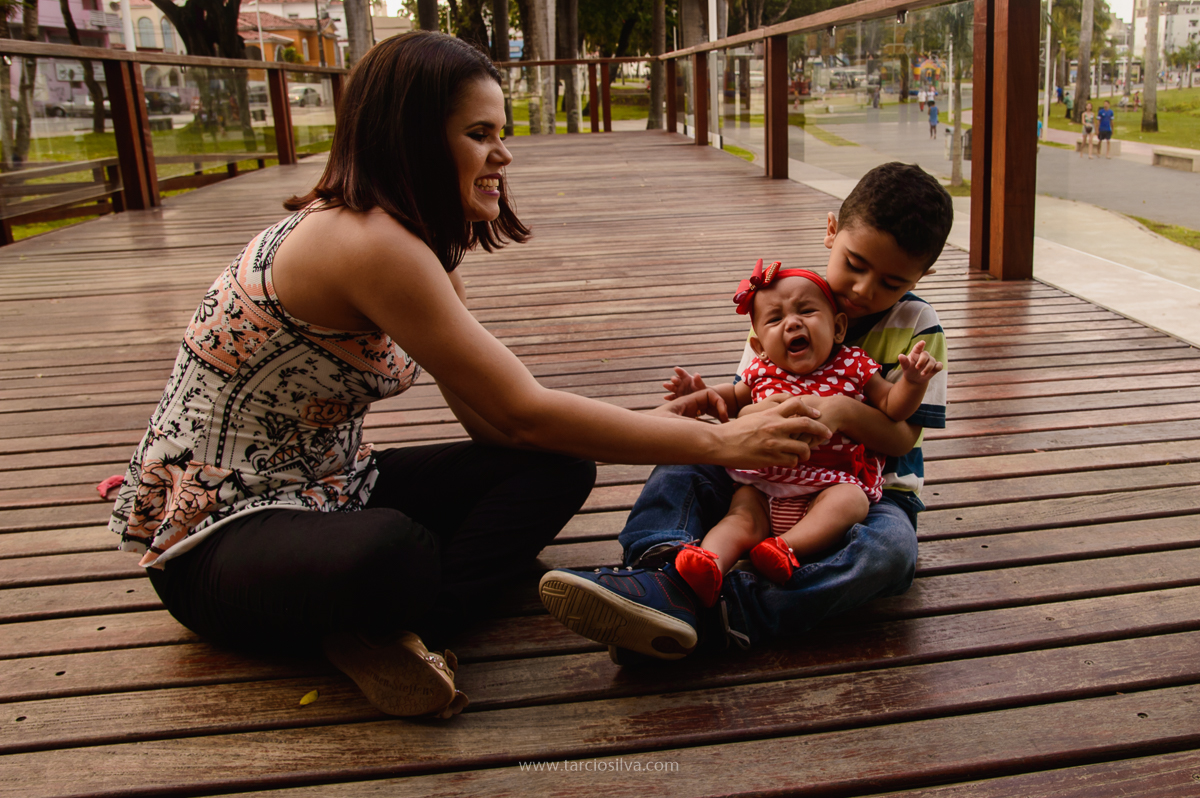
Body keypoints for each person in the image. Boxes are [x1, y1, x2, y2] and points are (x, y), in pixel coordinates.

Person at [107, 31, 830, 719]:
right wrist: (723, 444)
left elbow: (493, 421)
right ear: (415, 138)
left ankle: (390, 631)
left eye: (501, 133)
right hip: (214, 544)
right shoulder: (362, 242)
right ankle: (398, 613)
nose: (502, 156)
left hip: (329, 491)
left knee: (559, 467)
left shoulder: (418, 247)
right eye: (479, 135)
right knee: (391, 550)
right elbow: (520, 414)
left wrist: (652, 428)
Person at [538, 163, 953, 662]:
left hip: (867, 492)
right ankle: (662, 564)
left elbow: (903, 438)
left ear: (922, 275)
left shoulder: (918, 326)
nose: (865, 290)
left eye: (891, 281)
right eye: (856, 263)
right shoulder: (787, 302)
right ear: (830, 232)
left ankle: (709, 609)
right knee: (681, 461)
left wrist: (840, 409)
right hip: (760, 479)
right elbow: (746, 401)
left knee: (891, 554)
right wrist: (716, 404)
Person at [662, 263, 942, 608]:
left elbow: (892, 406)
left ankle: (784, 549)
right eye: (775, 320)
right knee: (741, 518)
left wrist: (913, 383)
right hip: (763, 482)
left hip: (829, 483)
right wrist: (701, 395)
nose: (792, 323)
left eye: (806, 312)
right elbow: (732, 400)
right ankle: (706, 563)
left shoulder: (854, 364)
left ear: (838, 328)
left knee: (850, 501)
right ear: (759, 345)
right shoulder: (762, 371)